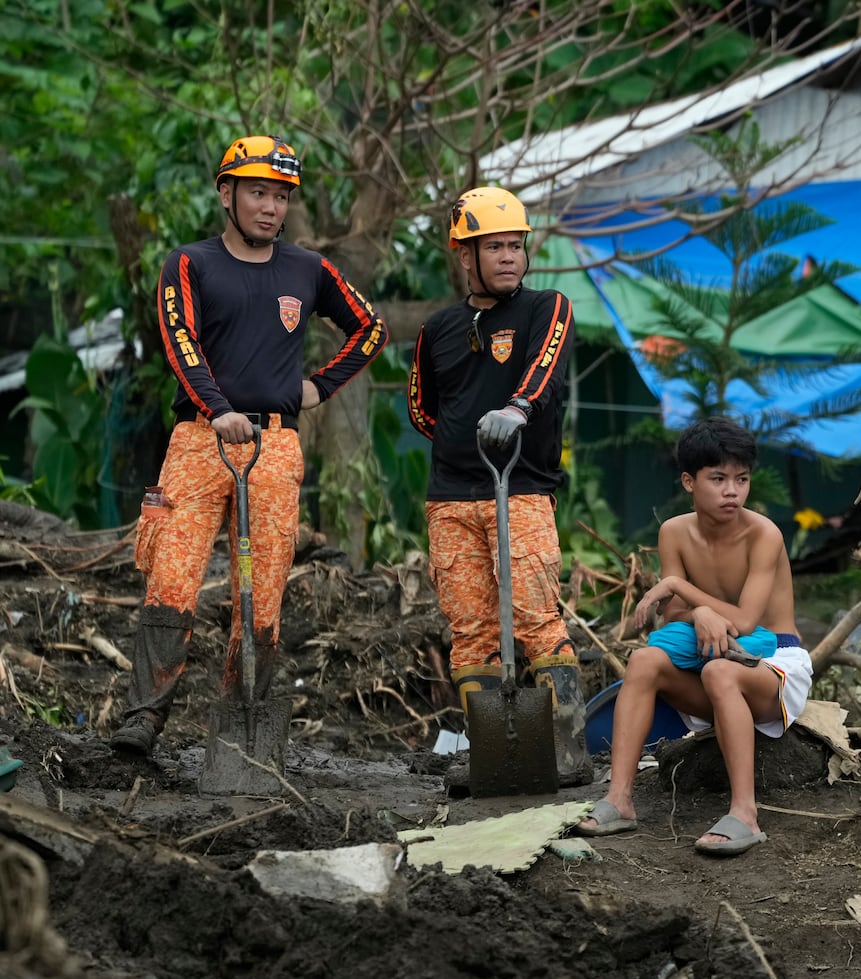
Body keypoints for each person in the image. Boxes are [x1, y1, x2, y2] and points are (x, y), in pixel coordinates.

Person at [111, 135, 387, 756]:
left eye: (281, 196)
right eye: (258, 192)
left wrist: (319, 387)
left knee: (262, 587)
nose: (270, 207)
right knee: (172, 575)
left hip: (275, 445)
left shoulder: (308, 270)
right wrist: (220, 410)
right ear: (226, 193)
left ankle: (243, 720)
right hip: (197, 441)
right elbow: (181, 343)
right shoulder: (190, 264)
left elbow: (371, 329)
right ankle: (144, 717)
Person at [408, 186, 591, 786]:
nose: (510, 256)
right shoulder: (438, 329)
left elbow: (545, 366)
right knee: (471, 630)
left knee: (537, 618)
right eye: (496, 247)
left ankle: (566, 754)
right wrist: (459, 441)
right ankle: (496, 756)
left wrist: (518, 409)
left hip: (522, 490)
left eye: (517, 245)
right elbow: (422, 408)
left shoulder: (546, 307)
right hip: (451, 498)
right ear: (466, 255)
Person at [574, 418, 812, 857]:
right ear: (689, 481)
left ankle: (744, 813)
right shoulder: (674, 532)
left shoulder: (764, 534)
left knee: (722, 670)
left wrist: (683, 590)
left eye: (741, 479)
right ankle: (619, 799)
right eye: (718, 478)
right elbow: (678, 618)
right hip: (710, 661)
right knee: (645, 661)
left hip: (774, 663)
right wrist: (697, 607)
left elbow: (742, 622)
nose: (732, 491)